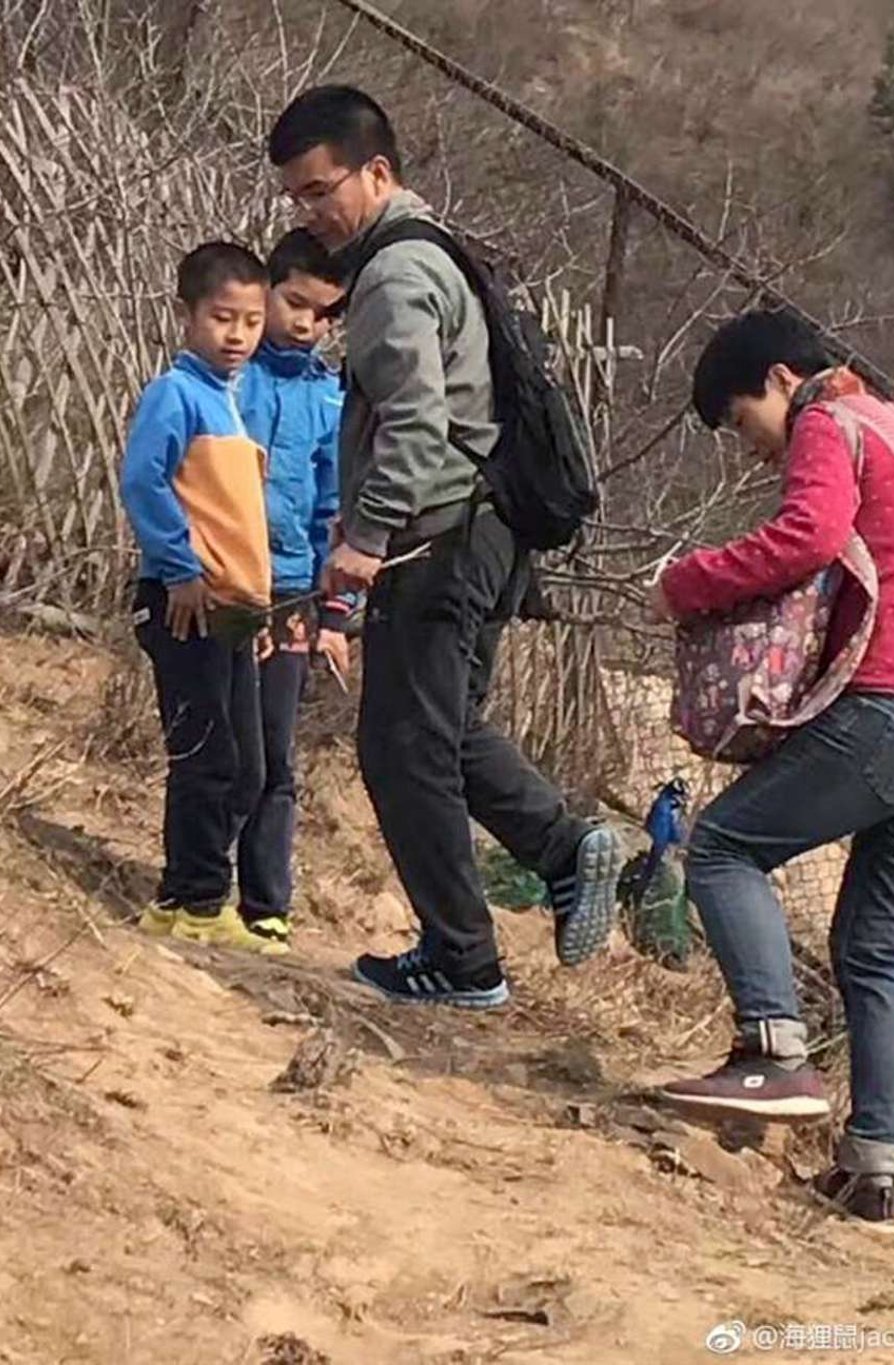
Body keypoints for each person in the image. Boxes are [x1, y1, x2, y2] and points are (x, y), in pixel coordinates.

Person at [268, 85, 622, 1009]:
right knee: (444, 728)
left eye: (319, 191)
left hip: (438, 538)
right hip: (485, 532)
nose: (311, 214)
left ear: (375, 171)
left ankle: (463, 958)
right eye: (297, 198)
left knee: (399, 747)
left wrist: (364, 537)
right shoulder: (437, 254)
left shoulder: (391, 276)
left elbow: (417, 426)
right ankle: (562, 849)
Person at [650, 310, 894, 1221]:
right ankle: (873, 1164)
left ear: (777, 379)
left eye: (738, 422)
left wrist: (688, 581)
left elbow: (805, 534)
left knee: (723, 844)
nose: (749, 448)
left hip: (890, 702)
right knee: (874, 944)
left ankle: (773, 1049)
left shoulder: (827, 419)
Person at [121, 240, 273, 949]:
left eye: (250, 320)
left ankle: (199, 889)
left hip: (235, 611)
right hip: (186, 600)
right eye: (222, 317)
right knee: (206, 755)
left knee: (246, 762)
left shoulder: (235, 404)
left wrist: (259, 606)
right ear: (187, 315)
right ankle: (192, 900)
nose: (237, 334)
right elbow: (144, 482)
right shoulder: (175, 395)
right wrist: (178, 567)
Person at [236, 229, 350, 953]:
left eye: (324, 312)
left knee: (277, 753)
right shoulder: (231, 379)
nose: (305, 323)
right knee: (223, 745)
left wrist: (334, 609)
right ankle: (198, 882)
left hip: (293, 595)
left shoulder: (332, 401)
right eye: (295, 302)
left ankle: (267, 901)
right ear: (268, 291)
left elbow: (332, 509)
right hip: (222, 584)